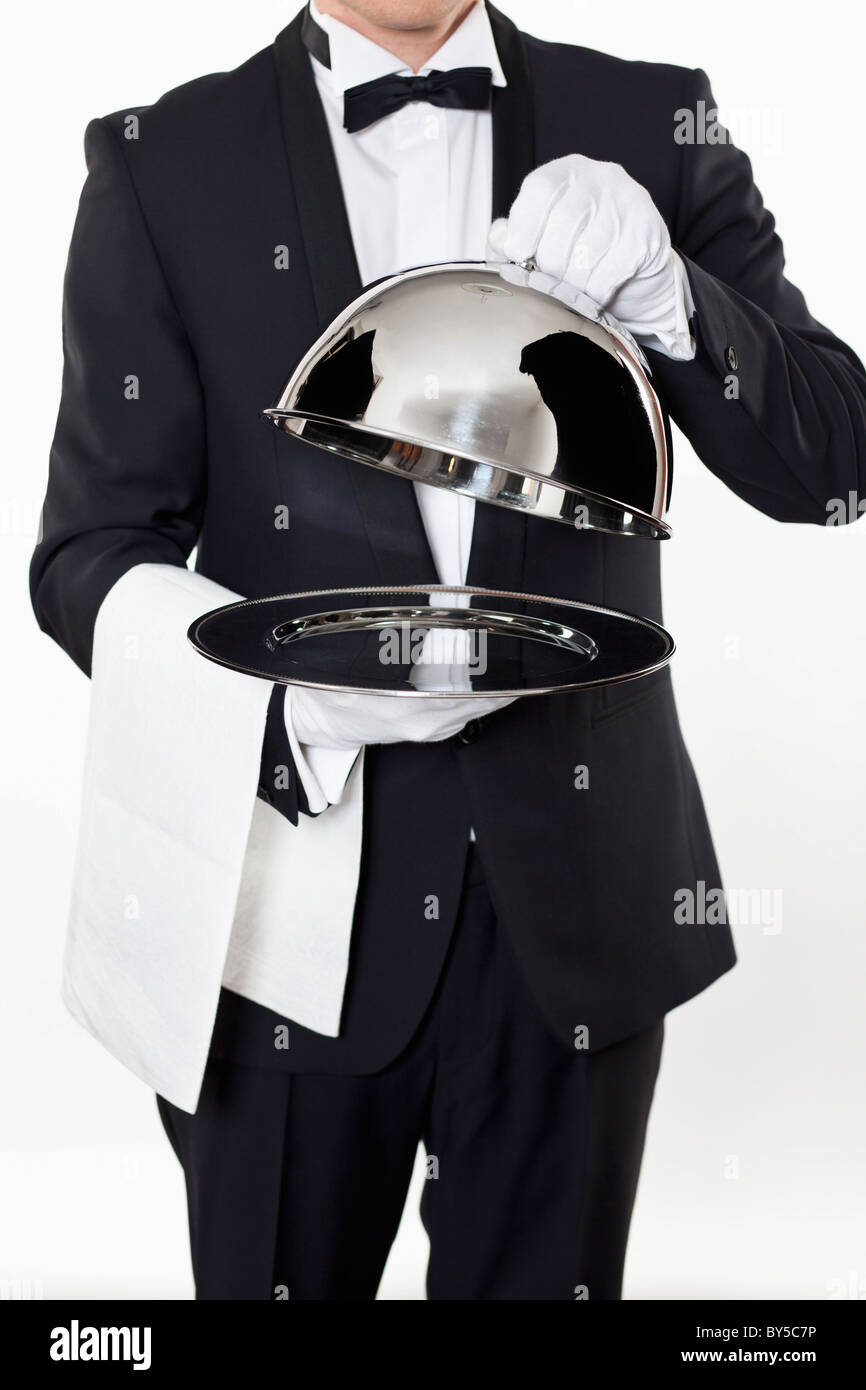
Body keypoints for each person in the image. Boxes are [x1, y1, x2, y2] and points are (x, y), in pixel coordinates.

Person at [31, 0, 866, 1300]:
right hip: (283, 922)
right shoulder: (162, 159)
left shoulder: (652, 119)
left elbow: (834, 472)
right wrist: (275, 711)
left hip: (577, 914)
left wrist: (672, 297)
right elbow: (87, 550)